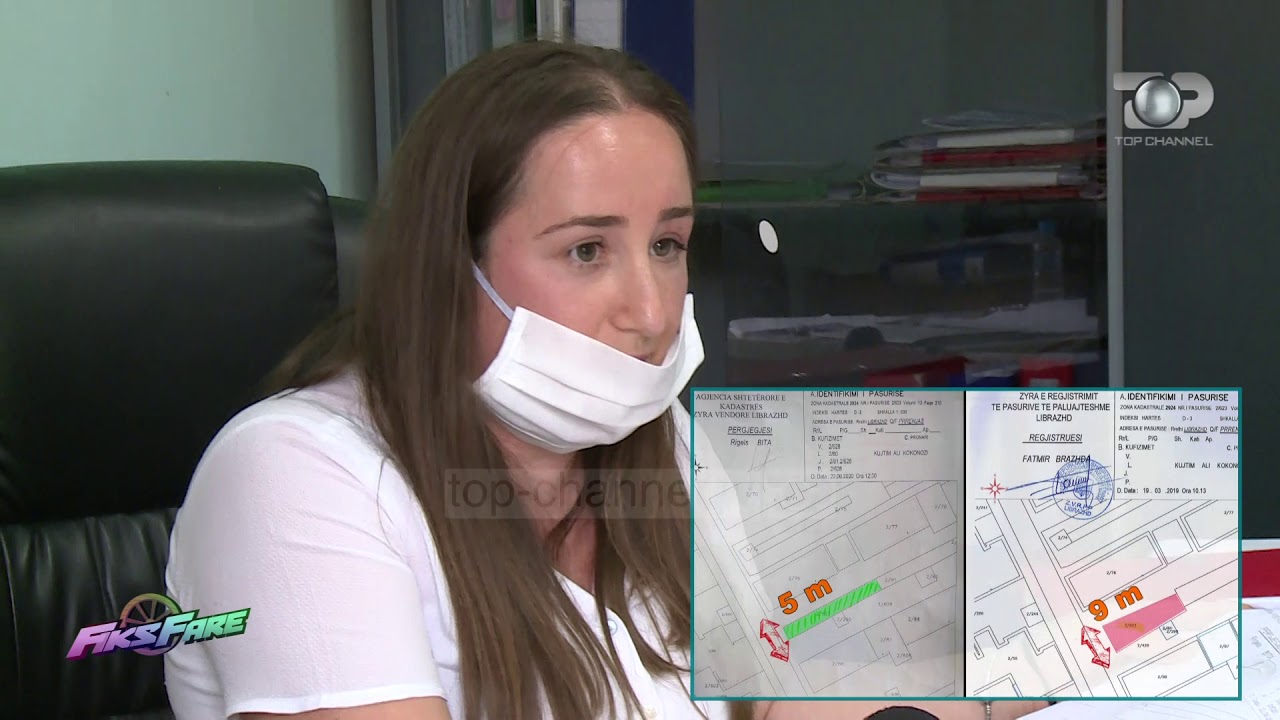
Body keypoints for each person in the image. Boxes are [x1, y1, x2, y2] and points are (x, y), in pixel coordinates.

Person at [161, 40, 1049, 720]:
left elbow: (776, 698)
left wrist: (1037, 663)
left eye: (667, 244)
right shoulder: (292, 477)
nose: (651, 311)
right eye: (587, 251)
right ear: (449, 269)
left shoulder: (656, 440)